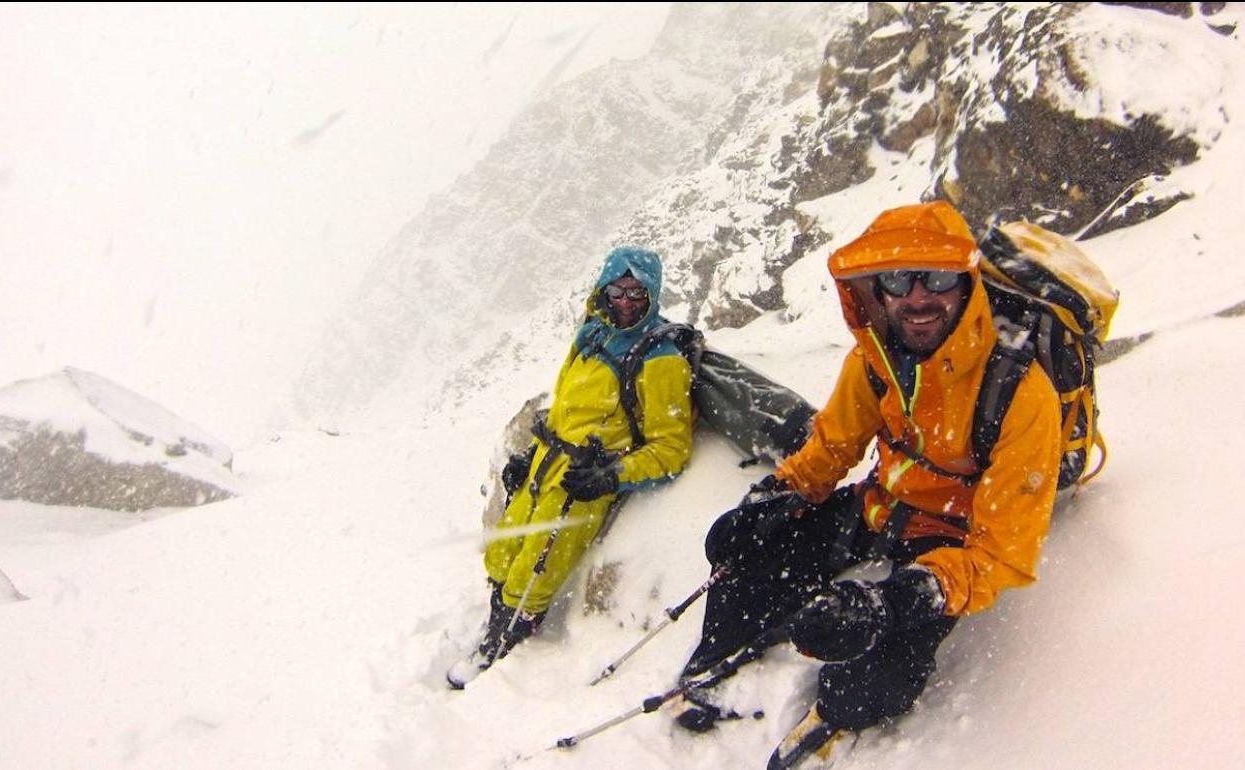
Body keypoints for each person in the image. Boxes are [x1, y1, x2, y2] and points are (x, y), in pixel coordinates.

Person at [669, 201, 1062, 768]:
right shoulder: (877, 359)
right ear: (877, 291)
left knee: (873, 677)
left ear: (966, 281)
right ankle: (716, 664)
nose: (919, 297)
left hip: (946, 540)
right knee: (754, 558)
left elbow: (1003, 552)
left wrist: (897, 600)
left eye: (938, 277)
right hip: (879, 508)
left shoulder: (1020, 392)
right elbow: (831, 448)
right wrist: (775, 497)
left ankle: (837, 713)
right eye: (900, 279)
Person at [447, 245, 695, 689]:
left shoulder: (660, 359)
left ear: (652, 295)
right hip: (548, 464)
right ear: (603, 289)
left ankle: (504, 642)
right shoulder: (593, 337)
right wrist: (528, 458)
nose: (625, 302)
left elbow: (670, 449)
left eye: (637, 293)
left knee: (534, 570)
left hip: (584, 481)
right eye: (617, 290)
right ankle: (497, 619)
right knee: (504, 552)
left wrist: (611, 476)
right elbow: (568, 407)